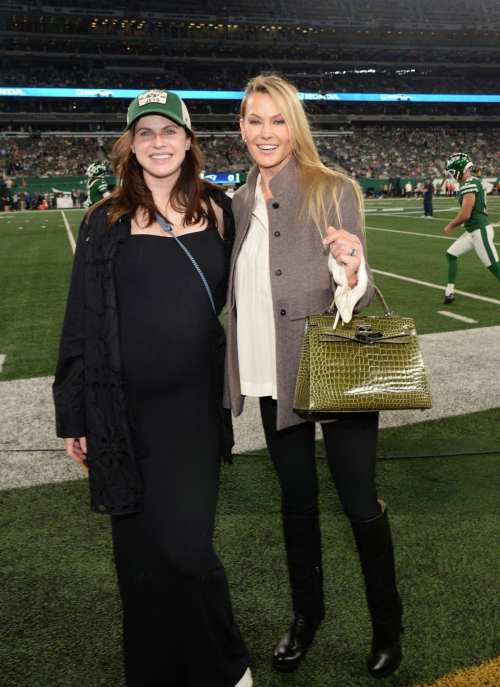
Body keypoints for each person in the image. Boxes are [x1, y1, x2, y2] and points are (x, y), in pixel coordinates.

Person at [53, 90, 251, 687]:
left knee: (187, 551)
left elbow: (260, 292)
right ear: (131, 145)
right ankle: (155, 669)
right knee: (139, 559)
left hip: (192, 410)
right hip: (120, 414)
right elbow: (80, 321)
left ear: (189, 141)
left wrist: (348, 271)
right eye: (146, 133)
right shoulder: (104, 219)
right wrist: (75, 414)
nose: (159, 142)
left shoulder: (221, 211)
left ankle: (227, 666)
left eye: (170, 131)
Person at [225, 75, 403, 679]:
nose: (265, 132)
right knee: (296, 502)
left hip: (333, 367)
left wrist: (352, 271)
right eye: (254, 120)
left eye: (278, 120)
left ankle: (388, 624)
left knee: (357, 501)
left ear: (295, 125)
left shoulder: (334, 189)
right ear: (241, 128)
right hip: (270, 370)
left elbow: (359, 279)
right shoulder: (238, 200)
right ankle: (308, 615)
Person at [443, 152, 500, 305]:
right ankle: (449, 292)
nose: (451, 174)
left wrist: (451, 225)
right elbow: (484, 208)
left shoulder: (468, 184)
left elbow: (465, 214)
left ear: (458, 170)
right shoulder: (476, 181)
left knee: (494, 266)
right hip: (473, 232)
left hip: (479, 231)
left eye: (452, 171)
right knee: (451, 254)